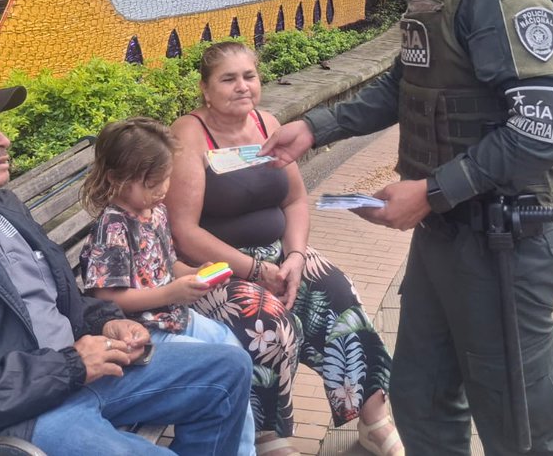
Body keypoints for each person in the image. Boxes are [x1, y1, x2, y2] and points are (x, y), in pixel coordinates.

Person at [261, 0, 553, 456]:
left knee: (522, 428)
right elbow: (404, 84)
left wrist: (430, 193)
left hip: (503, 243)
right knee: (423, 398)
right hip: (451, 235)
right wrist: (312, 128)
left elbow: (543, 127)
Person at [0, 79, 252, 455]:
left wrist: (108, 322)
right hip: (14, 419)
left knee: (228, 368)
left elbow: (54, 301)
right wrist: (72, 366)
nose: (3, 140)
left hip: (71, 375)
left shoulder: (1, 207)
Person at [168, 41, 400, 456]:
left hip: (277, 254)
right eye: (228, 79)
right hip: (213, 267)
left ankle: (373, 417)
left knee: (338, 292)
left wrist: (294, 257)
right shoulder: (189, 135)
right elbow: (184, 231)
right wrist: (255, 271)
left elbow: (294, 200)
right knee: (265, 321)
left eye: (249, 76)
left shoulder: (265, 122)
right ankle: (267, 436)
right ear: (205, 89)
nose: (242, 87)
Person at [78, 117, 257, 456]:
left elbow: (165, 263)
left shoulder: (155, 212)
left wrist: (192, 272)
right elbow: (108, 296)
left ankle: (243, 451)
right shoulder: (113, 227)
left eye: (166, 179)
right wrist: (171, 293)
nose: (162, 190)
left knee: (234, 355)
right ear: (117, 179)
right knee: (218, 369)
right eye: (152, 183)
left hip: (176, 315)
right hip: (145, 330)